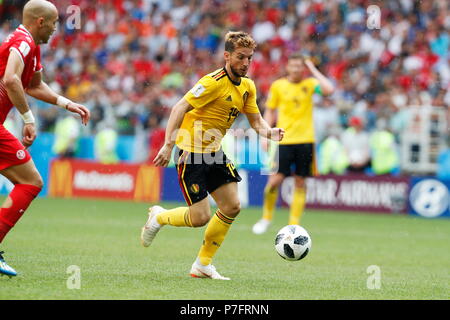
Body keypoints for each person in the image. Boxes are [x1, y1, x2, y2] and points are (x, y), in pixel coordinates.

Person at [141, 31, 284, 280]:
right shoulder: (212, 82)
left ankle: (202, 264)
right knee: (200, 218)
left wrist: (269, 132)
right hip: (191, 152)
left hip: (214, 152)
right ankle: (159, 216)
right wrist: (168, 144)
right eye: (241, 57)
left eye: (249, 58)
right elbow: (179, 107)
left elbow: (256, 122)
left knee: (232, 206)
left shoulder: (248, 86)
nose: (246, 63)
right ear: (227, 56)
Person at [0, 0, 90, 277]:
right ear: (40, 21)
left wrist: (66, 104)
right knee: (31, 182)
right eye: (53, 23)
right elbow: (11, 79)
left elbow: (34, 85)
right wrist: (29, 118)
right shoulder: (23, 41)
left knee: (29, 182)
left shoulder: (32, 47)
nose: (54, 29)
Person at [252, 53, 335, 235]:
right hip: (284, 140)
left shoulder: (310, 84)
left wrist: (313, 68)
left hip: (306, 140)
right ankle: (266, 218)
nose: (296, 69)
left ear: (303, 68)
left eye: (300, 66)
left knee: (300, 182)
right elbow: (270, 111)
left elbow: (329, 89)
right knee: (274, 181)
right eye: (293, 65)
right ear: (288, 67)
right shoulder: (279, 86)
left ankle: (294, 224)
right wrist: (265, 135)